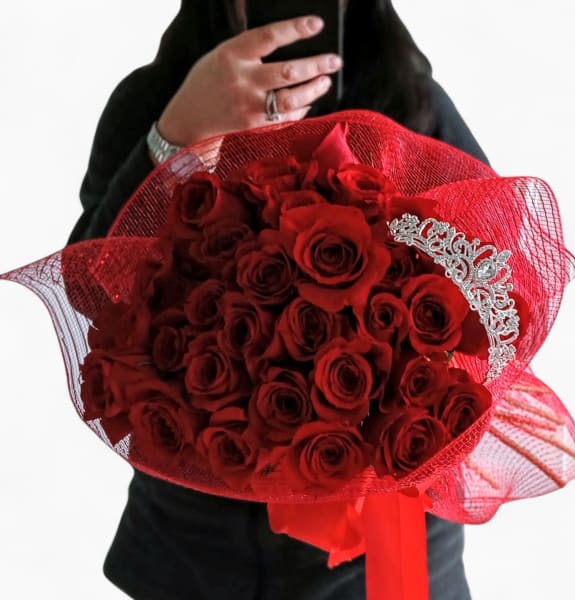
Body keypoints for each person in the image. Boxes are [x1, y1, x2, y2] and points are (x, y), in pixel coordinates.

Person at [67, 1, 488, 598]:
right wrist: (176, 142)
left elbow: (495, 298)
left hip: (381, 554)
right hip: (191, 550)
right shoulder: (154, 102)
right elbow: (87, 295)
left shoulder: (411, 100)